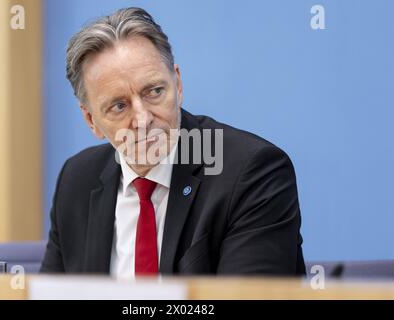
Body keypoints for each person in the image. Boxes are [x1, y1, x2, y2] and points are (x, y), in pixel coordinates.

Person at [40, 7, 305, 277]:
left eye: (154, 92)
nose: (142, 120)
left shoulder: (251, 172)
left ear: (177, 84)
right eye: (119, 106)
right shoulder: (77, 180)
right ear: (91, 120)